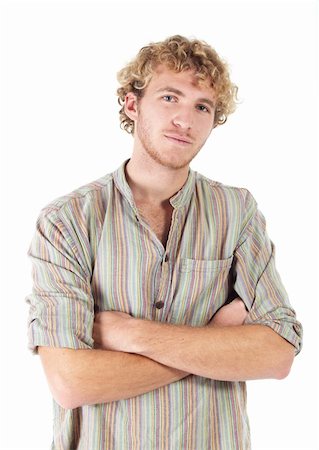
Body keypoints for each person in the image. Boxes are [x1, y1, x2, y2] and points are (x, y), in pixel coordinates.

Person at [26, 35, 303, 450]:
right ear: (132, 105)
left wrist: (131, 334)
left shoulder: (236, 211)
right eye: (170, 97)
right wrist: (213, 343)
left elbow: (278, 354)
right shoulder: (67, 221)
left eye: (202, 106)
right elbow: (71, 382)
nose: (185, 120)